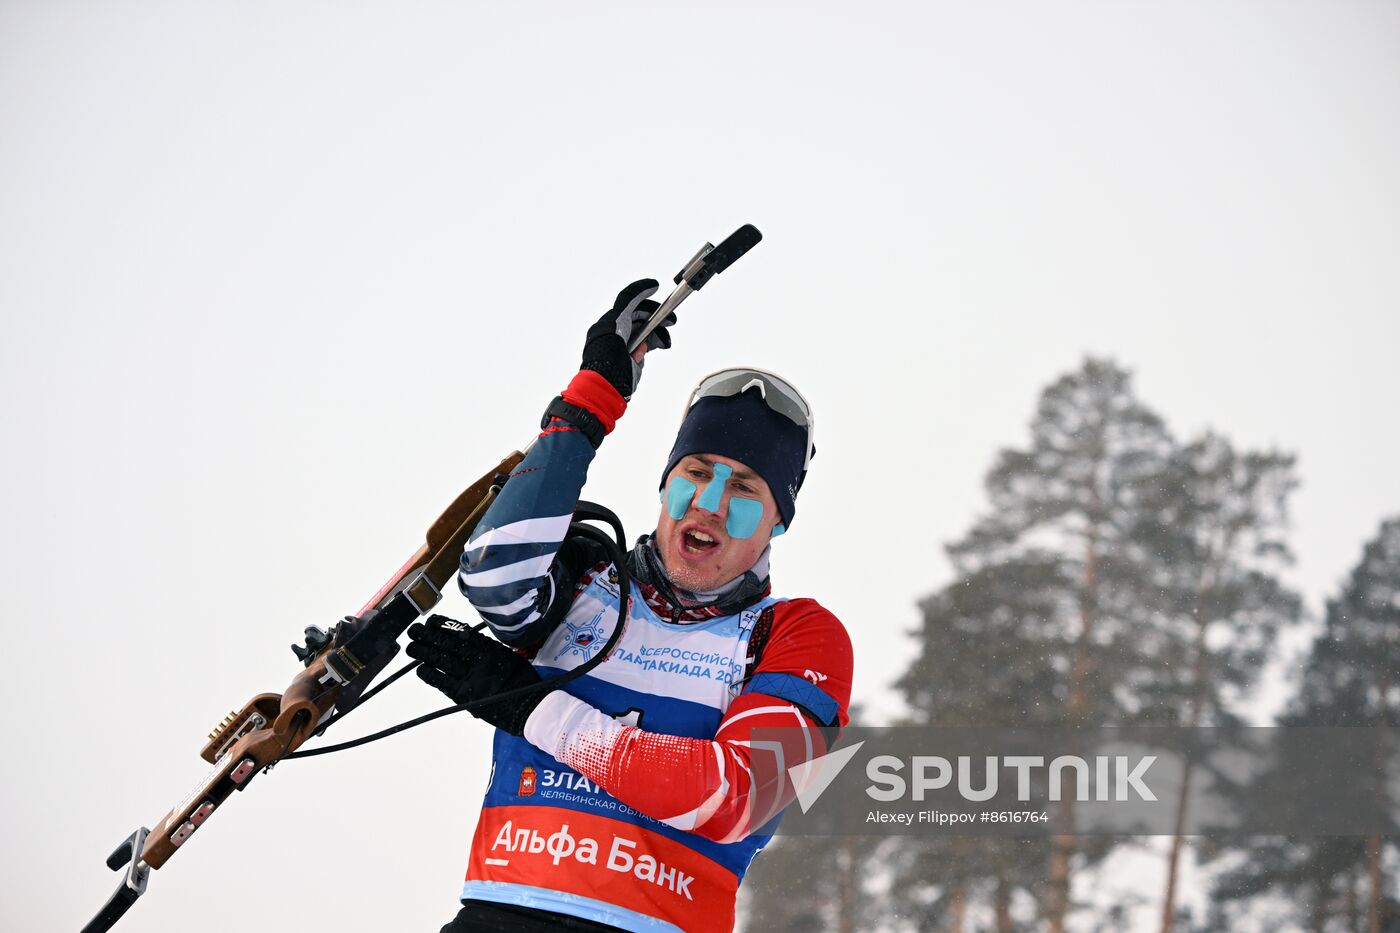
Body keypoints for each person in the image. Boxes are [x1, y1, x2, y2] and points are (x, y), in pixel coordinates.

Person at [405, 280, 854, 933]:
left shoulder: (798, 634)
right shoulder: (588, 577)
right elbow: (494, 573)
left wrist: (525, 703)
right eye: (696, 471)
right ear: (666, 481)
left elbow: (733, 798)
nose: (710, 501)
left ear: (778, 521)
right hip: (500, 913)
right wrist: (589, 402)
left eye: (746, 486)